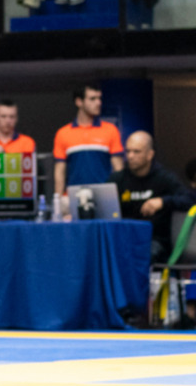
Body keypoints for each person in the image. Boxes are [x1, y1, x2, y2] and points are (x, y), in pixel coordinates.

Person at [108, 131, 195, 263]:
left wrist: (163, 201)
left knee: (138, 256)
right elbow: (102, 205)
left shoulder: (164, 178)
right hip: (122, 237)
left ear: (150, 155)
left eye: (136, 152)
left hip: (154, 240)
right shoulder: (117, 179)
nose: (130, 156)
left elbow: (190, 199)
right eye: (128, 151)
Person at [52, 83, 125, 195]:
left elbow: (118, 169)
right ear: (79, 102)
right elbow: (59, 172)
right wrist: (58, 200)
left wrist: (118, 197)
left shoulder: (111, 130)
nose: (98, 103)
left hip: (103, 195)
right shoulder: (63, 133)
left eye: (99, 98)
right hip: (74, 196)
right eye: (92, 99)